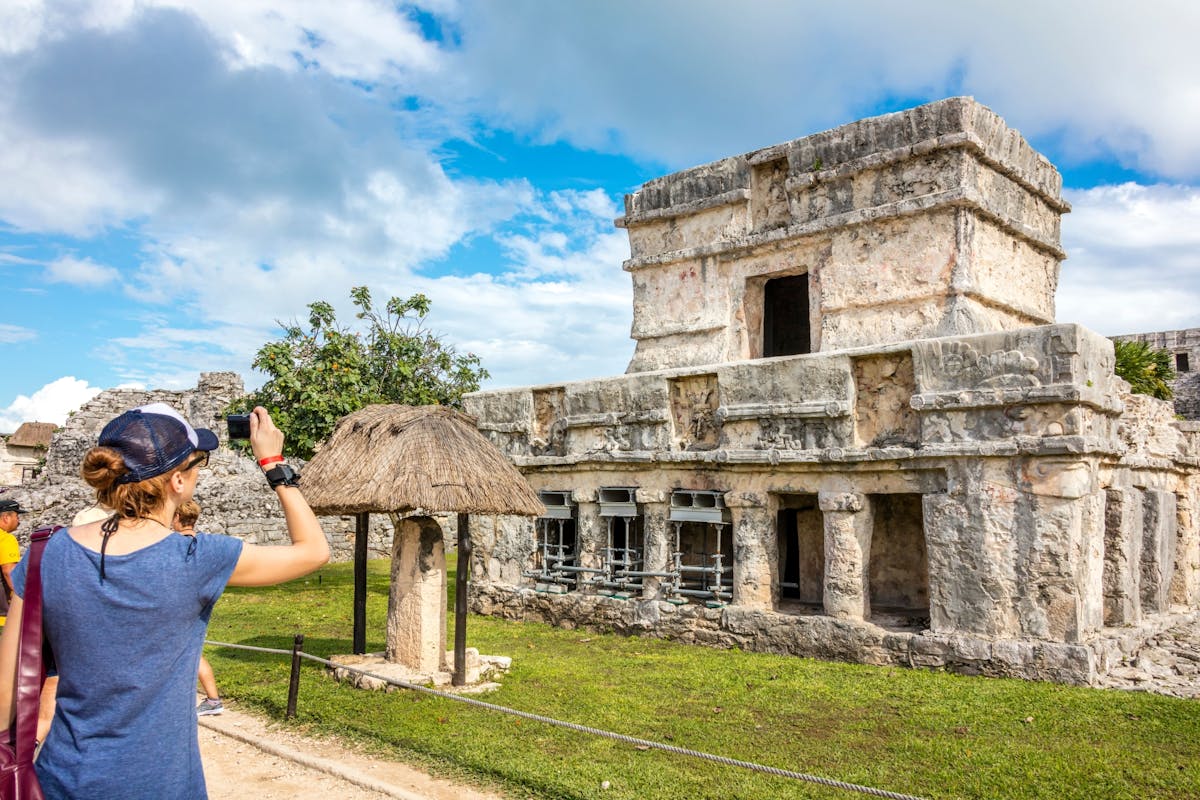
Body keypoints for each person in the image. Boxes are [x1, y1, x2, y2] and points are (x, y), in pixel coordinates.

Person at [0, 403, 329, 799]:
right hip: (162, 784)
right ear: (177, 481)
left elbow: (8, 684)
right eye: (197, 464)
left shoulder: (44, 554)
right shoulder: (198, 558)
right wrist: (274, 464)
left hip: (65, 779)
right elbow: (313, 551)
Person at [172, 499, 224, 716]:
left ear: (176, 518)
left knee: (190, 654)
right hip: (200, 602)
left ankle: (213, 700)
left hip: (177, 604)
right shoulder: (205, 544)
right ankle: (210, 699)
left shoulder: (173, 545)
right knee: (191, 651)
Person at [0, 499, 22, 626]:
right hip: (2, 618)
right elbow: (9, 571)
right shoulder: (6, 539)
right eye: (16, 516)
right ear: (6, 518)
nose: (18, 521)